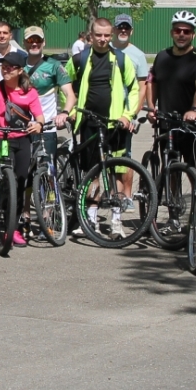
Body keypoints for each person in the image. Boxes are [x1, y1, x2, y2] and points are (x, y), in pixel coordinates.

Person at [66, 18, 140, 237]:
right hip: (89, 122)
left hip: (115, 124)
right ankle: (90, 220)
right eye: (98, 35)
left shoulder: (120, 59)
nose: (103, 39)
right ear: (91, 34)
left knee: (116, 171)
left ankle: (117, 221)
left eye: (107, 35)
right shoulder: (79, 59)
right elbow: (65, 85)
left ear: (112, 35)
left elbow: (134, 89)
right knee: (92, 172)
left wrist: (127, 115)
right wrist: (69, 111)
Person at [0, 51, 43, 246]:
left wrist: (38, 125)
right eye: (3, 66)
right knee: (5, 180)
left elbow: (39, 116)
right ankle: (2, 224)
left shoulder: (29, 91)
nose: (6, 69)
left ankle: (15, 227)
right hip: (0, 137)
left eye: (10, 67)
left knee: (20, 183)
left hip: (22, 139)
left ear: (20, 70)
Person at [146, 10, 196, 166]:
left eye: (186, 31)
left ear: (193, 34)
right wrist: (151, 108)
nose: (181, 34)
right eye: (177, 30)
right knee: (170, 169)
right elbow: (152, 81)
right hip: (166, 123)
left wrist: (194, 110)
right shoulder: (162, 56)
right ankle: (171, 192)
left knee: (194, 169)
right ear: (171, 33)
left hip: (190, 124)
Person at [22, 26, 74, 163]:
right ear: (24, 43)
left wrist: (64, 113)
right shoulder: (17, 66)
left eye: (38, 39)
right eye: (30, 40)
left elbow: (70, 95)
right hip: (23, 127)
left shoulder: (54, 65)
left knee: (48, 172)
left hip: (47, 127)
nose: (34, 43)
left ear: (44, 42)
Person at [112, 14, 150, 119]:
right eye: (120, 27)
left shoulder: (139, 55)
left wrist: (132, 115)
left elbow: (142, 89)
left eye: (126, 27)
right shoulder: (105, 49)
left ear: (131, 31)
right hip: (104, 108)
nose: (123, 30)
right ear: (114, 30)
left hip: (126, 110)